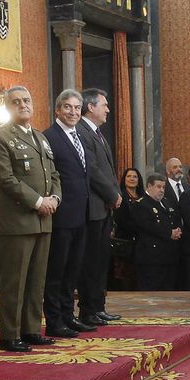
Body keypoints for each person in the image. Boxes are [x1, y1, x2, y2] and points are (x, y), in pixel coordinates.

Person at [0, 86, 59, 353]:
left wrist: (55, 199)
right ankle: (9, 335)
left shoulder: (40, 138)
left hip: (43, 220)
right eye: (16, 102)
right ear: (7, 107)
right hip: (17, 222)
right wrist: (38, 202)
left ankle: (30, 329)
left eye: (27, 100)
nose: (23, 105)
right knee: (15, 282)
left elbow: (54, 174)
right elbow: (5, 179)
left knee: (36, 281)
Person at [43, 89, 92, 338]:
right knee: (57, 270)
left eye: (76, 107)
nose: (73, 112)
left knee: (73, 270)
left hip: (81, 214)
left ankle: (68, 316)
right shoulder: (48, 137)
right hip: (61, 214)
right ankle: (54, 320)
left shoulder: (80, 135)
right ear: (57, 110)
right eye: (67, 107)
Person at [77, 89, 120, 324]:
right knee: (90, 261)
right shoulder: (82, 131)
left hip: (104, 207)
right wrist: (112, 193)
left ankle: (98, 306)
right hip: (92, 207)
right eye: (104, 105)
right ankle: (89, 309)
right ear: (91, 107)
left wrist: (116, 192)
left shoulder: (97, 133)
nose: (108, 110)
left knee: (101, 259)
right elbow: (91, 169)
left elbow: (107, 169)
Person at [131, 174, 180, 291]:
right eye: (158, 187)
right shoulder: (141, 204)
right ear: (149, 186)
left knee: (167, 289)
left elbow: (174, 219)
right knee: (151, 290)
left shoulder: (166, 202)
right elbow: (148, 226)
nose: (162, 190)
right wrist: (169, 233)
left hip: (168, 255)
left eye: (163, 187)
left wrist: (177, 230)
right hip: (151, 257)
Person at [112, 167, 144, 289]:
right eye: (129, 176)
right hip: (125, 241)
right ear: (124, 179)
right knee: (125, 277)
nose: (132, 179)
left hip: (141, 243)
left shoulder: (143, 196)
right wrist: (139, 227)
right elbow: (120, 219)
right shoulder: (120, 196)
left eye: (135, 176)